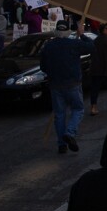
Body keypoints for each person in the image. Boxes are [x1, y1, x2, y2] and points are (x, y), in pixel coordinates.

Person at [39, 19, 95, 153]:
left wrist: (52, 73)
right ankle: (69, 133)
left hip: (56, 85)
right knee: (78, 109)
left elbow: (43, 66)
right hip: (72, 84)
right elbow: (92, 47)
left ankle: (61, 144)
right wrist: (81, 34)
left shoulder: (48, 46)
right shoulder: (73, 44)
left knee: (59, 114)